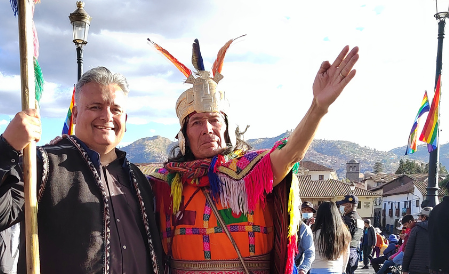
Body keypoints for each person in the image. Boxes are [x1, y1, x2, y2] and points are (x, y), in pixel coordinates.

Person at [146, 39, 359, 274]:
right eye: (196, 122)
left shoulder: (251, 170)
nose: (207, 129)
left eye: (214, 119)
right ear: (184, 134)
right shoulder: (163, 184)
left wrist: (318, 107)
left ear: (227, 128)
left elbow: (290, 154)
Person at [0, 67, 164, 274]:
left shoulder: (138, 178)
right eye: (96, 107)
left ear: (125, 120)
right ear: (76, 114)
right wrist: (7, 148)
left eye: (116, 110)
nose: (107, 116)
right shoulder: (42, 164)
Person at [309, 202, 351, 274]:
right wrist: (343, 269)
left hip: (317, 268)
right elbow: (346, 253)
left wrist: (308, 226)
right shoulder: (344, 233)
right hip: (336, 269)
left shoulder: (314, 233)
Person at [335, 194, 363, 274]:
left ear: (348, 205)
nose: (340, 206)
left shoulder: (347, 220)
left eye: (342, 205)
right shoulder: (359, 218)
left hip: (346, 252)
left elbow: (342, 236)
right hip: (354, 251)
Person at [402, 207, 431, 274]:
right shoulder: (438, 230)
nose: (418, 219)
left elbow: (408, 251)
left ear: (424, 217)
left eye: (419, 217)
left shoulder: (416, 230)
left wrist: (405, 269)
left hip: (416, 268)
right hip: (433, 268)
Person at [296, 202, 316, 274]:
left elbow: (310, 252)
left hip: (303, 264)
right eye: (304, 210)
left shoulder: (305, 227)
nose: (306, 212)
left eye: (309, 210)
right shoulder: (300, 224)